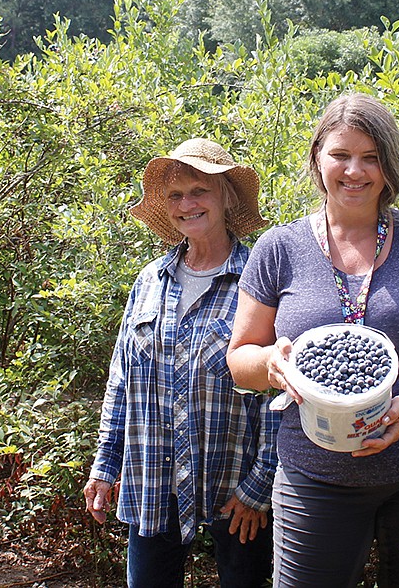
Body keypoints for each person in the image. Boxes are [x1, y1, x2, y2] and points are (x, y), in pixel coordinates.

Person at [226, 93, 399, 588]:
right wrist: (273, 365)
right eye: (341, 155)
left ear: (389, 167)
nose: (355, 171)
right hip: (316, 474)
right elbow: (240, 358)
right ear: (317, 159)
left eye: (371, 157)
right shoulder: (279, 248)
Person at [84, 138, 279, 588]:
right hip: (154, 477)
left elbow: (278, 392)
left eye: (199, 190)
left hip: (235, 483)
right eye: (175, 195)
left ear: (226, 197)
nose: (187, 204)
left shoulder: (258, 279)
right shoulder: (149, 281)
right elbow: (122, 380)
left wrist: (260, 485)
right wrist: (105, 465)